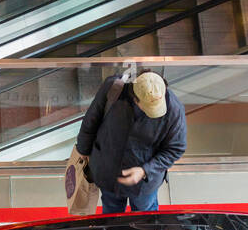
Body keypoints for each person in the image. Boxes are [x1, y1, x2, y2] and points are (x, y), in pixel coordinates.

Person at [75, 70, 186, 215]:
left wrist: (145, 170)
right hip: (109, 175)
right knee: (111, 217)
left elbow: (176, 148)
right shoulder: (113, 88)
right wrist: (83, 152)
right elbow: (91, 121)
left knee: (146, 222)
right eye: (148, 108)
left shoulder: (174, 109)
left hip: (144, 185)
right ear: (135, 98)